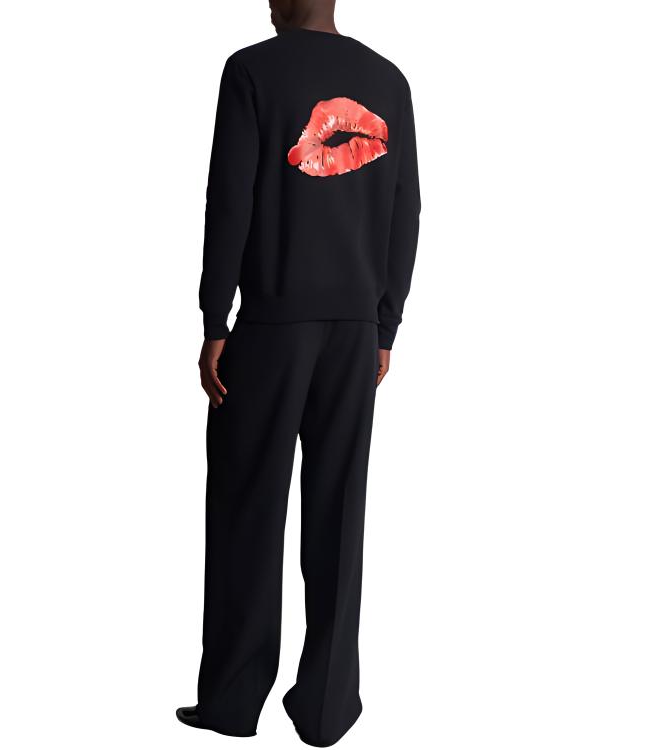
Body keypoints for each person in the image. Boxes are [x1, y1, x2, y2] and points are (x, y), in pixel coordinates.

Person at [177, 0, 420, 745]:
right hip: (354, 334)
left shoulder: (252, 70)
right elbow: (406, 209)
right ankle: (326, 707)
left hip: (271, 326)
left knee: (248, 509)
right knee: (339, 513)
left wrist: (214, 318)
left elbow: (230, 197)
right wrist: (383, 325)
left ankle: (231, 701)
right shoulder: (388, 80)